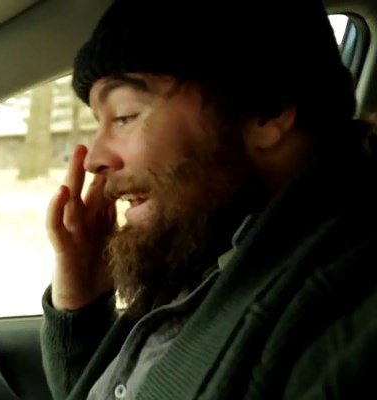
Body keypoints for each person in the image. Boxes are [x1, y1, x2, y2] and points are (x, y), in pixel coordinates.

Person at [41, 0, 377, 399]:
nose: (94, 158)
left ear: (265, 111)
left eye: (125, 116)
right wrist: (80, 301)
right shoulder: (208, 244)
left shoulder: (347, 314)